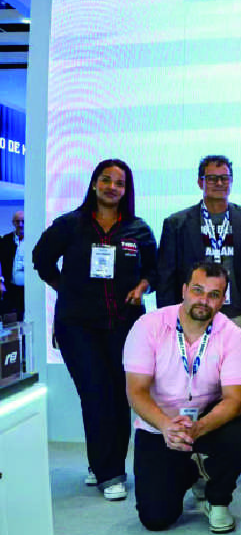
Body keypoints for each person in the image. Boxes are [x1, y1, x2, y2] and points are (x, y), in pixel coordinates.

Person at [32, 159, 156, 501]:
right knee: (96, 393)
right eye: (106, 180)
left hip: (124, 325)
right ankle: (109, 472)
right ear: (94, 183)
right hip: (78, 327)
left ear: (126, 190)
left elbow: (154, 270)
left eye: (119, 183)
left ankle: (102, 462)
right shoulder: (70, 224)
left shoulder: (138, 229)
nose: (112, 187)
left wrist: (143, 286)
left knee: (120, 395)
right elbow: (41, 258)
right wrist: (64, 288)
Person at [156, 155, 241, 489]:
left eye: (224, 177)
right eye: (212, 178)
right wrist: (170, 321)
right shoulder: (177, 223)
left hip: (238, 317)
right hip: (195, 318)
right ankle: (195, 454)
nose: (219, 183)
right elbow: (166, 274)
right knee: (192, 387)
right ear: (200, 182)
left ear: (231, 181)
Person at [123, 261, 241, 533]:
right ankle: (192, 472)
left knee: (237, 435)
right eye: (197, 290)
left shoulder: (232, 334)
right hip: (159, 424)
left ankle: (217, 500)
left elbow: (235, 399)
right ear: (184, 290)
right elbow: (136, 391)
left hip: (206, 420)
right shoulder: (148, 326)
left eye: (214, 295)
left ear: (223, 300)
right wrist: (166, 426)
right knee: (156, 519)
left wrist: (199, 427)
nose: (203, 300)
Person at [0, 208, 25, 320]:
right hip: (10, 287)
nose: (20, 224)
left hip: (28, 288)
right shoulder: (5, 240)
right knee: (10, 319)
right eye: (17, 221)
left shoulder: (33, 240)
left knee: (29, 318)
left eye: (23, 221)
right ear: (13, 223)